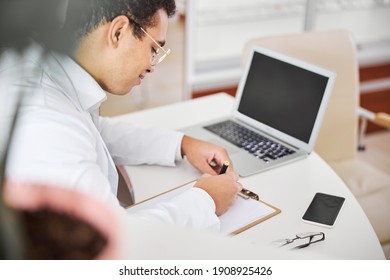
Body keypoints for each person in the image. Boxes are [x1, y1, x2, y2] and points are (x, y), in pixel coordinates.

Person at [2, 0, 242, 231]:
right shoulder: (47, 124)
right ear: (118, 32)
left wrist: (183, 145)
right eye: (153, 49)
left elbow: (97, 132)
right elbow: (119, 242)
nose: (152, 66)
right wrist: (206, 199)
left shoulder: (48, 74)